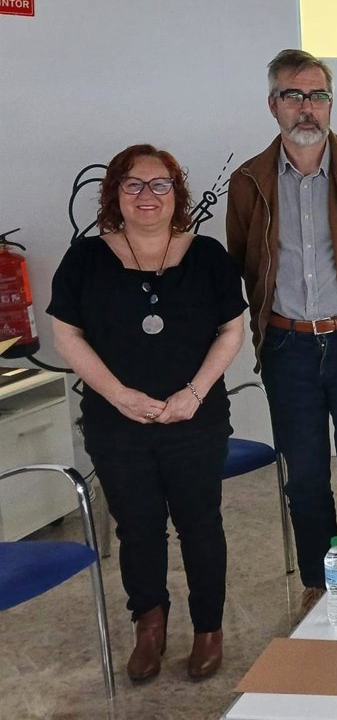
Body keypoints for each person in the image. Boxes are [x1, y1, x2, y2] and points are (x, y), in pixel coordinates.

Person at [48, 144, 246, 681]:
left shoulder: (207, 256)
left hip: (195, 418)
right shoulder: (84, 258)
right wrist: (118, 395)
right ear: (114, 194)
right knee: (137, 528)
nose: (146, 195)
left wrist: (194, 393)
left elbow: (232, 330)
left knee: (200, 525)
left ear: (176, 193)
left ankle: (208, 629)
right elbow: (66, 335)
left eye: (160, 184)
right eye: (132, 184)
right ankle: (150, 626)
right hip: (116, 424)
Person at [226, 49, 337, 610]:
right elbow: (243, 264)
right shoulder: (249, 181)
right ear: (272, 104)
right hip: (286, 346)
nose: (307, 107)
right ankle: (320, 587)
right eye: (294, 95)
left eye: (318, 95)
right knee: (304, 480)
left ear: (330, 103)